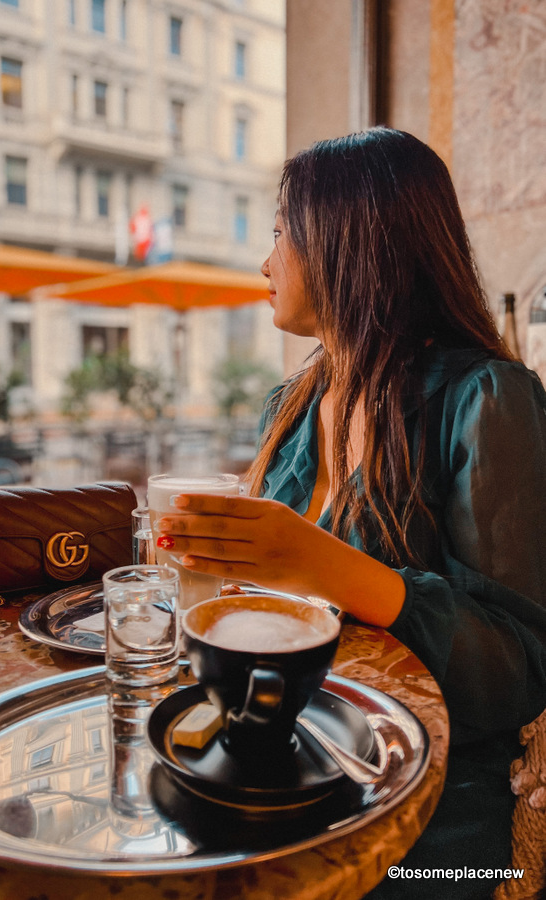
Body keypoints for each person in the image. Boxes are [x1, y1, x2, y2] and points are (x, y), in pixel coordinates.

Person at [155, 127, 546, 898]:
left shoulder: (486, 402)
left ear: (350, 240)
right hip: (285, 753)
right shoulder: (295, 402)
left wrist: (319, 563)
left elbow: (520, 668)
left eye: (277, 232)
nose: (264, 262)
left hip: (432, 806)